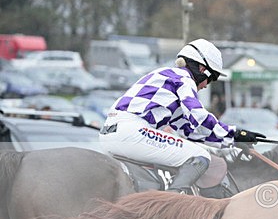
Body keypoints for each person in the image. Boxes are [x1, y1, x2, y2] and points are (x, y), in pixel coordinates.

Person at [99, 39, 263, 196]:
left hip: (108, 134)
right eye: (211, 78)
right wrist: (234, 132)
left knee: (191, 151)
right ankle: (174, 200)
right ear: (201, 69)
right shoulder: (184, 79)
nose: (206, 85)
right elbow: (198, 114)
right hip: (132, 132)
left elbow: (190, 131)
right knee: (200, 157)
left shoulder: (165, 78)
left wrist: (231, 141)